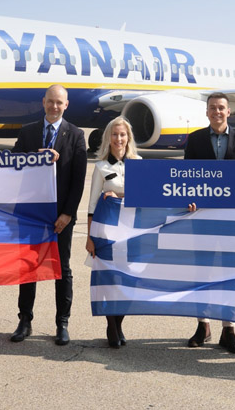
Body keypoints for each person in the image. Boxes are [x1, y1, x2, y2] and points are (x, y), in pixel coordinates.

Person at [10, 84, 87, 346]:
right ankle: (25, 320)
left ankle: (62, 323)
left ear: (66, 105)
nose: (54, 106)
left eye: (59, 102)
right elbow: (12, 165)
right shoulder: (28, 132)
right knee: (28, 268)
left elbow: (78, 180)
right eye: (51, 101)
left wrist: (68, 214)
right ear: (43, 102)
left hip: (60, 216)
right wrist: (34, 157)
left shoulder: (75, 135)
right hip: (31, 213)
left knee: (62, 269)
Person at [183, 92, 235, 353]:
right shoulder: (195, 140)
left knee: (230, 275)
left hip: (233, 221)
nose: (217, 112)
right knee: (202, 273)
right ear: (207, 112)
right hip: (202, 219)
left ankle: (229, 329)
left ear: (229, 111)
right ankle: (203, 325)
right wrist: (189, 200)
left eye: (221, 108)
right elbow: (186, 178)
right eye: (212, 108)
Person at [85, 116, 141, 348]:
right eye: (115, 135)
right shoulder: (100, 167)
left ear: (129, 138)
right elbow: (91, 205)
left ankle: (119, 323)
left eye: (123, 134)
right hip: (107, 230)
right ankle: (111, 325)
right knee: (109, 279)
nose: (119, 139)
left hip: (132, 231)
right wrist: (89, 238)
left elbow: (145, 196)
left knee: (128, 281)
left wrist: (118, 195)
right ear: (109, 138)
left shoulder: (139, 163)